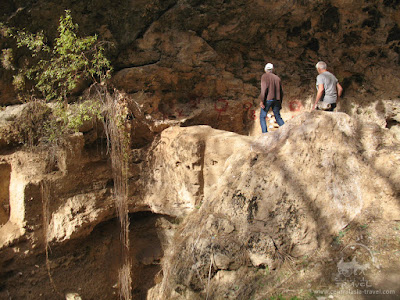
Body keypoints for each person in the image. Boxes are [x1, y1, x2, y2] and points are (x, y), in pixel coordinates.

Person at [259, 63, 285, 133]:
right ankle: (286, 131)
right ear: (272, 69)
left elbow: (264, 89)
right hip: (277, 99)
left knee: (262, 116)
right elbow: (281, 92)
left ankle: (265, 134)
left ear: (265, 69)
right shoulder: (277, 78)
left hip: (268, 99)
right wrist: (280, 103)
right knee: (278, 116)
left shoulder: (264, 76)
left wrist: (262, 100)